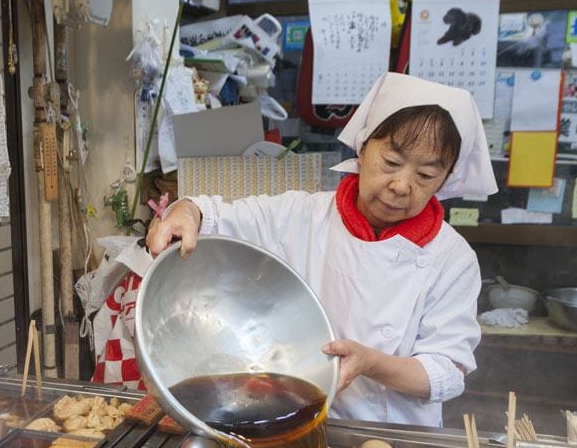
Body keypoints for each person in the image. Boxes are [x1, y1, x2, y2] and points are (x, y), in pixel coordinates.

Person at [146, 73, 497, 426]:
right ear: (363, 147)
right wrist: (186, 211)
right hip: (296, 420)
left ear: (447, 178)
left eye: (425, 176)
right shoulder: (304, 215)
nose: (401, 185)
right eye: (390, 163)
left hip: (395, 439)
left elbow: (447, 372)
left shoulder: (452, 258)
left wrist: (371, 363)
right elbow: (219, 217)